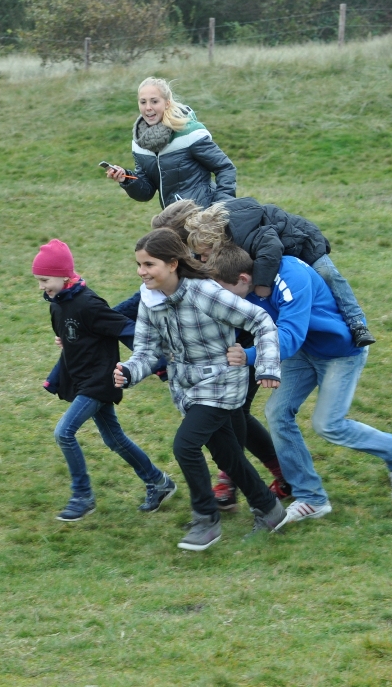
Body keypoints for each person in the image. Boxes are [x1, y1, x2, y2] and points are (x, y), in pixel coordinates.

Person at [208, 244, 392, 530]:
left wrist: (248, 356)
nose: (223, 297)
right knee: (277, 412)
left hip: (340, 353)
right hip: (304, 351)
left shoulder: (290, 277)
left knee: (328, 424)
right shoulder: (246, 286)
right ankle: (311, 497)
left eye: (224, 289)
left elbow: (290, 336)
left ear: (244, 279)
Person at [114, 228, 285, 551]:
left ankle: (205, 520)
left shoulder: (204, 293)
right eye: (139, 264)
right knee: (227, 454)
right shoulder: (150, 300)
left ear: (173, 264)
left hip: (222, 383)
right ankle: (269, 509)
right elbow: (147, 351)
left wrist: (266, 367)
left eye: (149, 264)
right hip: (187, 389)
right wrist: (129, 371)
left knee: (185, 445)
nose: (141, 272)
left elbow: (261, 321)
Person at [33, 239, 177, 521]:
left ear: (63, 276)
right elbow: (75, 336)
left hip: (100, 381)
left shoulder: (88, 303)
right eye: (38, 280)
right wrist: (65, 344)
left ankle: (82, 496)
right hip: (82, 379)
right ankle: (158, 481)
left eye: (45, 280)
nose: (41, 287)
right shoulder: (58, 304)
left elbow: (126, 328)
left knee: (64, 432)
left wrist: (159, 362)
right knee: (114, 439)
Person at [183, 198, 377, 348]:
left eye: (205, 254)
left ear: (218, 243)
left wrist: (262, 284)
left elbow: (271, 249)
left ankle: (356, 323)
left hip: (304, 243)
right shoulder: (212, 241)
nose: (202, 259)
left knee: (328, 274)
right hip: (278, 252)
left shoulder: (247, 235)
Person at [104, 77, 236, 209]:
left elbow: (225, 168)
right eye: (143, 102)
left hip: (203, 215)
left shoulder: (190, 134)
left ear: (167, 103)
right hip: (173, 217)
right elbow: (146, 192)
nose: (148, 107)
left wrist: (221, 206)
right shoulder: (140, 143)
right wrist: (126, 178)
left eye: (154, 101)